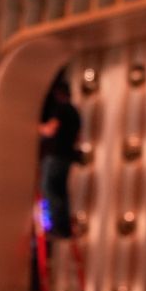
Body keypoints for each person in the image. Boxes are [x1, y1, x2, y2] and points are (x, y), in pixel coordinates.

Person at [37, 79, 81, 239]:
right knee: (60, 191)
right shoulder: (74, 112)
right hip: (66, 156)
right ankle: (63, 227)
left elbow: (50, 130)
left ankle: (53, 225)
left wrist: (33, 127)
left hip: (55, 155)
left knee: (49, 189)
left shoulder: (61, 109)